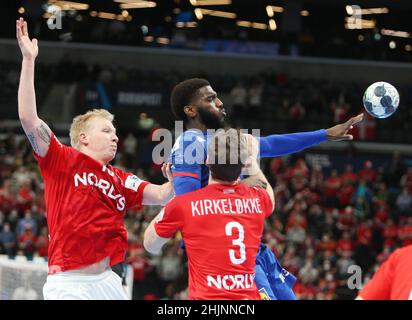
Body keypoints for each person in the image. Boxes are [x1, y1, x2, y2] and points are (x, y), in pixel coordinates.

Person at [16, 17, 174, 300]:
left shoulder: (120, 179)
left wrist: (178, 179)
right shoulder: (61, 158)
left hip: (108, 282)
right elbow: (29, 118)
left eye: (115, 131)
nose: (115, 137)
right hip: (69, 283)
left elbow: (162, 195)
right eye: (106, 130)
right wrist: (29, 60)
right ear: (84, 138)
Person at [165, 78, 363, 299]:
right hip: (226, 260)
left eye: (217, 96)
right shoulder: (189, 143)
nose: (220, 102)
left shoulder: (221, 140)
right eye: (211, 99)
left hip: (250, 250)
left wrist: (325, 134)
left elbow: (272, 144)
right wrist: (238, 188)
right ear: (190, 110)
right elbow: (188, 207)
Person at [144, 129, 275, 299]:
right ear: (243, 165)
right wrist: (252, 163)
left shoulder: (185, 204)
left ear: (207, 160)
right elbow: (268, 193)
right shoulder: (258, 199)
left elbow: (150, 245)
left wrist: (175, 195)